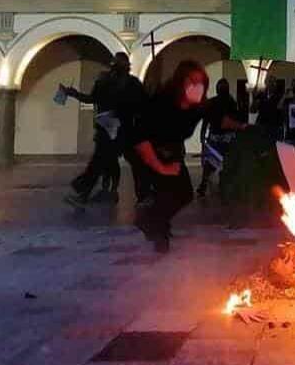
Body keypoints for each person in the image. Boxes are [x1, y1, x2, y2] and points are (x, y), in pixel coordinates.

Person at [127, 60, 246, 252]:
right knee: (167, 192)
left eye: (201, 83)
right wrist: (161, 167)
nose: (197, 88)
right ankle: (154, 226)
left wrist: (243, 127)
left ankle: (154, 223)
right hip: (146, 153)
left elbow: (219, 119)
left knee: (183, 194)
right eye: (192, 82)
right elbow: (141, 140)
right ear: (180, 83)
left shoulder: (197, 107)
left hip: (170, 154)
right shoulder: (162, 103)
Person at [63, 52, 145, 206]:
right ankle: (92, 195)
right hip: (118, 130)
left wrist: (74, 94)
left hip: (119, 130)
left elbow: (92, 99)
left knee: (104, 163)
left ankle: (139, 195)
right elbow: (142, 106)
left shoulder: (113, 82)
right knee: (106, 163)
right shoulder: (119, 82)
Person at [198, 78, 239, 198]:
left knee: (223, 163)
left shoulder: (231, 102)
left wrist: (203, 134)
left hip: (225, 137)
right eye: (222, 86)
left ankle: (216, 184)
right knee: (211, 163)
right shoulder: (220, 102)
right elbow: (206, 120)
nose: (222, 89)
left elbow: (234, 119)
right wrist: (202, 134)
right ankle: (204, 185)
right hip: (217, 136)